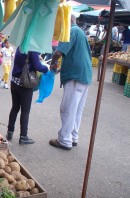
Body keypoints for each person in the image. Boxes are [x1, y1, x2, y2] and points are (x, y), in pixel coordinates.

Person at [48, 14, 92, 150]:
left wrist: (53, 63)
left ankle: (65, 140)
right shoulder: (80, 32)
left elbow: (57, 53)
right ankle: (73, 137)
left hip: (75, 77)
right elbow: (75, 56)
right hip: (84, 76)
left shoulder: (70, 31)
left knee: (68, 109)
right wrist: (61, 68)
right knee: (77, 110)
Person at [5, 48, 49, 143]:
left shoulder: (21, 47)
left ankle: (10, 132)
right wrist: (47, 69)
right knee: (25, 111)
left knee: (15, 108)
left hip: (14, 82)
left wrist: (37, 58)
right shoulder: (33, 49)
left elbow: (26, 59)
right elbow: (38, 67)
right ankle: (23, 136)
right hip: (25, 83)